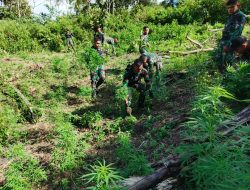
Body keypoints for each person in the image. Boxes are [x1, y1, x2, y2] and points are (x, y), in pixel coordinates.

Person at [216, 0, 246, 72]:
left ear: (237, 6)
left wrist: (228, 44)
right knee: (219, 60)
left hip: (231, 42)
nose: (229, 9)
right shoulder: (231, 16)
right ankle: (221, 73)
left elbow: (237, 32)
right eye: (228, 8)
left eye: (232, 7)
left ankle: (230, 76)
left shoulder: (240, 16)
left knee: (228, 61)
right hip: (224, 41)